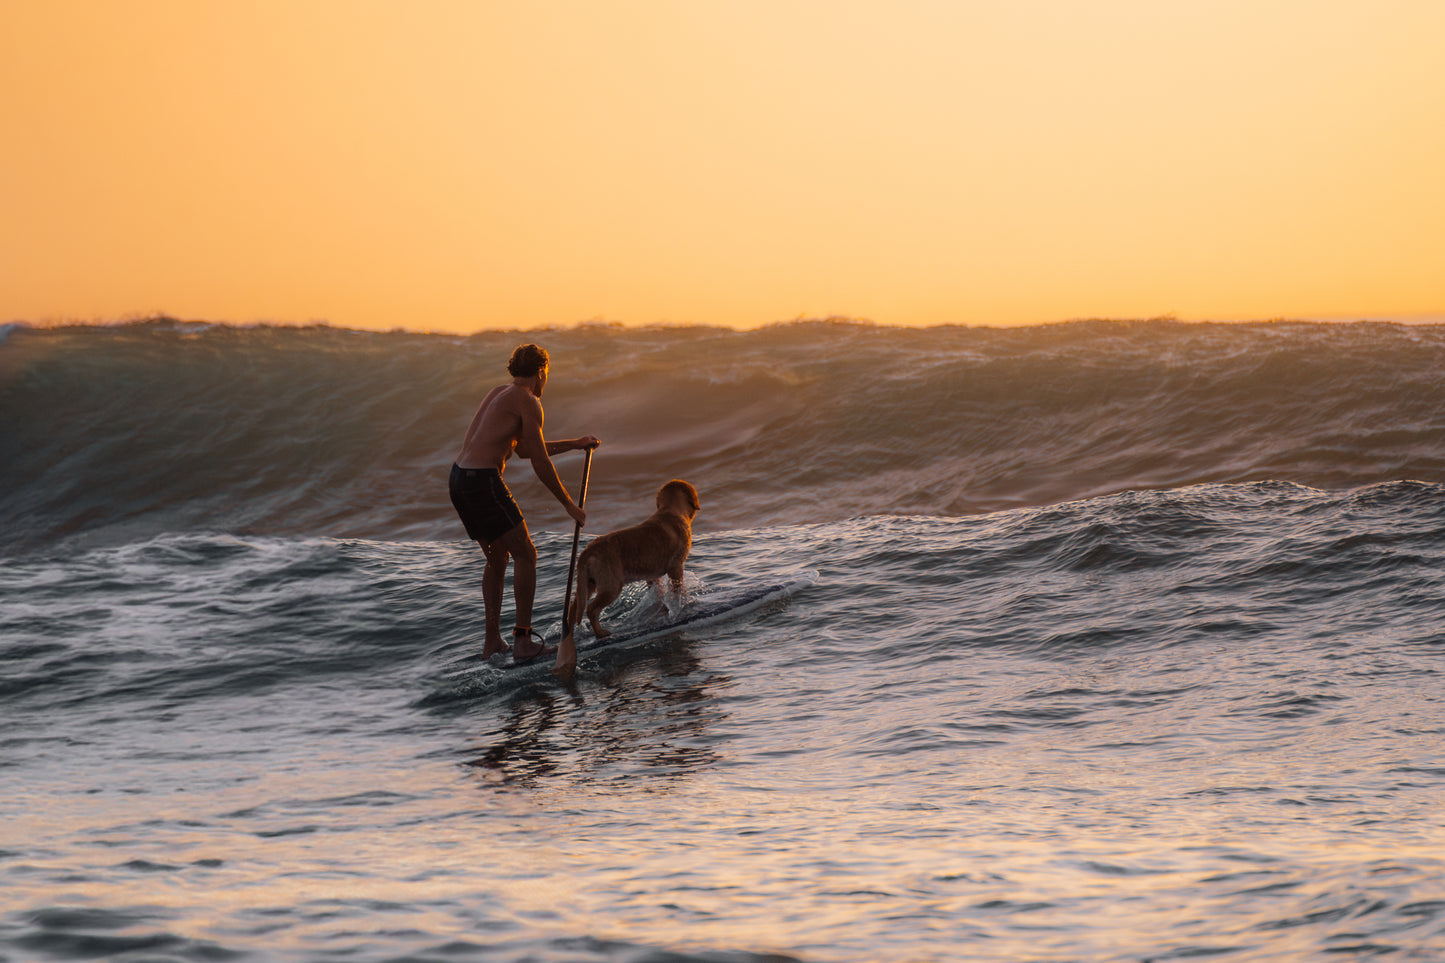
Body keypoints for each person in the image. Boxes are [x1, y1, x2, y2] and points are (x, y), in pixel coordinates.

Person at [450, 344, 598, 661]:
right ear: (541, 372)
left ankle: (492, 643)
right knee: (526, 555)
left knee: (498, 560)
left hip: (459, 480)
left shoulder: (500, 393)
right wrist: (568, 504)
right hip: (483, 483)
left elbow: (525, 450)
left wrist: (575, 444)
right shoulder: (528, 401)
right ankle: (523, 642)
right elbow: (540, 463)